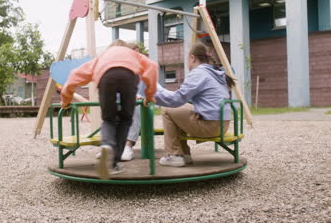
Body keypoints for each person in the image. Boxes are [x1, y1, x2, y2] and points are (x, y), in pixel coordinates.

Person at [60, 39, 158, 178]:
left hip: (105, 75)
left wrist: (66, 100)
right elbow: (152, 67)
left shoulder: (101, 58)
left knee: (108, 119)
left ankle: (106, 146)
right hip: (128, 75)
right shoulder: (132, 54)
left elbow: (74, 76)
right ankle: (114, 162)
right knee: (125, 119)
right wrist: (149, 96)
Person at [150, 42, 235, 167]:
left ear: (192, 58)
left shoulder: (198, 73)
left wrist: (151, 95)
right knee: (178, 109)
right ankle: (184, 154)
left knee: (167, 109)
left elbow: (176, 99)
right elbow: (180, 99)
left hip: (210, 126)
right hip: (222, 124)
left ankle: (174, 155)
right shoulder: (214, 72)